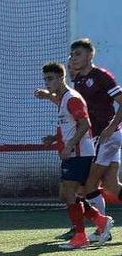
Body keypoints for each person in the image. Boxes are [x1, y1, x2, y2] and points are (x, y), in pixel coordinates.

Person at [36, 38, 122, 241]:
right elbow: (73, 109)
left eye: (78, 54)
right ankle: (92, 226)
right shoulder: (79, 82)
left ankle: (101, 228)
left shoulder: (101, 77)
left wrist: (110, 127)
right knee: (111, 185)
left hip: (105, 136)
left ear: (90, 55)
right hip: (100, 137)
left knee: (87, 185)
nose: (73, 58)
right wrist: (49, 97)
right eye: (72, 55)